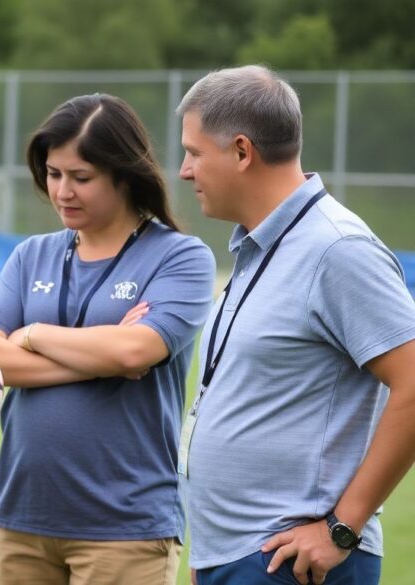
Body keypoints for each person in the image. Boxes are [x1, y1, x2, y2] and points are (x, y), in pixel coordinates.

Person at [177, 65, 415, 585]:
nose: (183, 171)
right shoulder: (258, 245)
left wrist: (341, 529)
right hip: (239, 555)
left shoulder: (337, 249)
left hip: (294, 562)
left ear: (242, 152)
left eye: (194, 152)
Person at [0, 93, 216, 585]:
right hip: (23, 516)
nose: (63, 191)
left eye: (81, 177)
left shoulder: (181, 258)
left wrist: (33, 334)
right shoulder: (30, 255)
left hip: (124, 525)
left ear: (124, 174)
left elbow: (136, 350)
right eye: (54, 173)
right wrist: (102, 356)